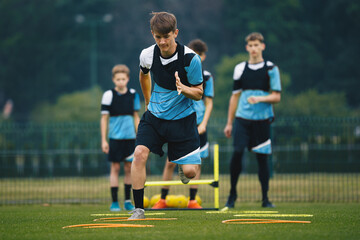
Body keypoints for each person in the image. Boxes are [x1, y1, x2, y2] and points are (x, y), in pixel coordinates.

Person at [128, 12, 203, 219]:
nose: (162, 41)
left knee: (190, 173)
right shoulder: (147, 55)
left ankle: (182, 163)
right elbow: (143, 76)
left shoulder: (190, 59)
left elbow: (198, 93)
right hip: (155, 117)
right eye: (158, 37)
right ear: (152, 34)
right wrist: (147, 101)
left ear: (175, 33)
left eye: (167, 36)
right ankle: (138, 209)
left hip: (182, 120)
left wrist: (183, 89)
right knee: (139, 154)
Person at [151, 39, 214, 209]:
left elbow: (208, 102)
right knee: (170, 162)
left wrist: (204, 124)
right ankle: (163, 199)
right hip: (180, 120)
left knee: (195, 164)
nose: (195, 58)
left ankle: (192, 200)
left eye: (199, 55)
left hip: (198, 123)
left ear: (203, 57)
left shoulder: (206, 77)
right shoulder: (180, 69)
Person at [223, 32, 281, 209]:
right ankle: (232, 195)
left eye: (257, 45)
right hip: (242, 119)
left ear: (262, 46)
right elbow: (234, 97)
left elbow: (277, 97)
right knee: (237, 153)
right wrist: (229, 122)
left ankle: (265, 199)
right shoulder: (240, 68)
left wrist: (260, 99)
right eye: (251, 45)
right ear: (247, 48)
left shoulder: (271, 68)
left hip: (262, 120)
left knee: (262, 159)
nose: (254, 48)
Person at [100, 64, 140, 211]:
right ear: (113, 80)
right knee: (115, 167)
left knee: (129, 168)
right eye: (118, 79)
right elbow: (104, 119)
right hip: (115, 138)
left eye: (123, 78)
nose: (121, 81)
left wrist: (139, 136)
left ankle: (128, 201)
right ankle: (115, 202)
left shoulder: (134, 94)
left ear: (128, 79)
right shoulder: (108, 95)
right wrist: (104, 140)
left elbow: (136, 116)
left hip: (130, 138)